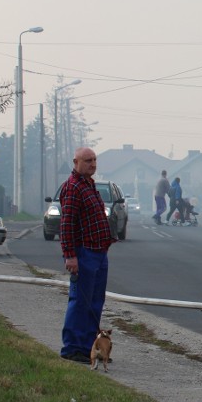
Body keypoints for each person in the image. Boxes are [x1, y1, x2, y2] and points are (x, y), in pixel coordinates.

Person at [58, 147, 117, 363]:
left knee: (95, 302)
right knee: (80, 301)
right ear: (76, 162)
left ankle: (90, 348)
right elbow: (67, 225)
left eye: (94, 160)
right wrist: (70, 256)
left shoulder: (89, 185)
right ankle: (73, 348)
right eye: (87, 160)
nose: (92, 164)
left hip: (99, 253)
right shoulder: (73, 187)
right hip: (83, 253)